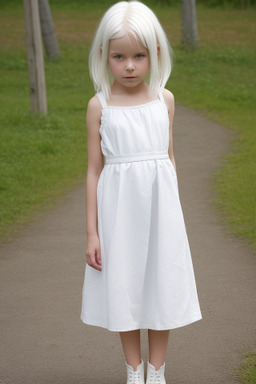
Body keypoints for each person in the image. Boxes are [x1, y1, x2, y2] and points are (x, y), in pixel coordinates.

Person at [81, 1, 202, 383]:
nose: (129, 65)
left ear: (155, 54)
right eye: (119, 56)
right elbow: (93, 169)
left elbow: (168, 160)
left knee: (160, 284)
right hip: (118, 215)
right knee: (125, 286)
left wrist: (177, 217)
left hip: (160, 212)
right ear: (104, 55)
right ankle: (134, 370)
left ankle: (157, 370)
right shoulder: (99, 106)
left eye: (139, 56)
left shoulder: (163, 101)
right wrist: (92, 232)